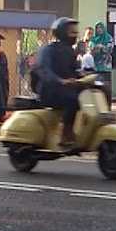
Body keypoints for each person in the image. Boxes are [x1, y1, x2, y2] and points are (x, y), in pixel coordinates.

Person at [35, 17, 80, 147]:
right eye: (71, 31)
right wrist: (61, 81)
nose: (75, 34)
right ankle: (65, 133)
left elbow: (75, 70)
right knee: (73, 100)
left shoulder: (70, 51)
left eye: (75, 31)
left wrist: (85, 76)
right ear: (61, 33)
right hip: (49, 91)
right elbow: (45, 71)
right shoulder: (48, 50)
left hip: (63, 90)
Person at [89, 21, 114, 107]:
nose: (99, 30)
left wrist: (101, 47)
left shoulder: (109, 38)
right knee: (97, 90)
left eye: (101, 28)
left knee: (106, 89)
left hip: (106, 68)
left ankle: (107, 107)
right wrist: (98, 47)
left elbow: (109, 49)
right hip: (95, 68)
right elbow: (91, 50)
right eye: (97, 28)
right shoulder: (93, 39)